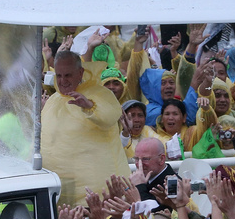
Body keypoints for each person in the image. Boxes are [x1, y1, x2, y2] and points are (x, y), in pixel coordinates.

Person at [41, 50, 130, 206]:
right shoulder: (53, 100)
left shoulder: (99, 94)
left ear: (80, 72)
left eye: (67, 75)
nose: (62, 81)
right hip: (59, 189)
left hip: (95, 190)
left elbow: (110, 114)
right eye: (59, 75)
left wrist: (89, 106)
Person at [133, 137, 176, 203]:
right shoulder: (144, 179)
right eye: (136, 159)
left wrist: (140, 186)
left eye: (145, 159)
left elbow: (154, 211)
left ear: (161, 159)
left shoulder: (173, 184)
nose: (139, 164)